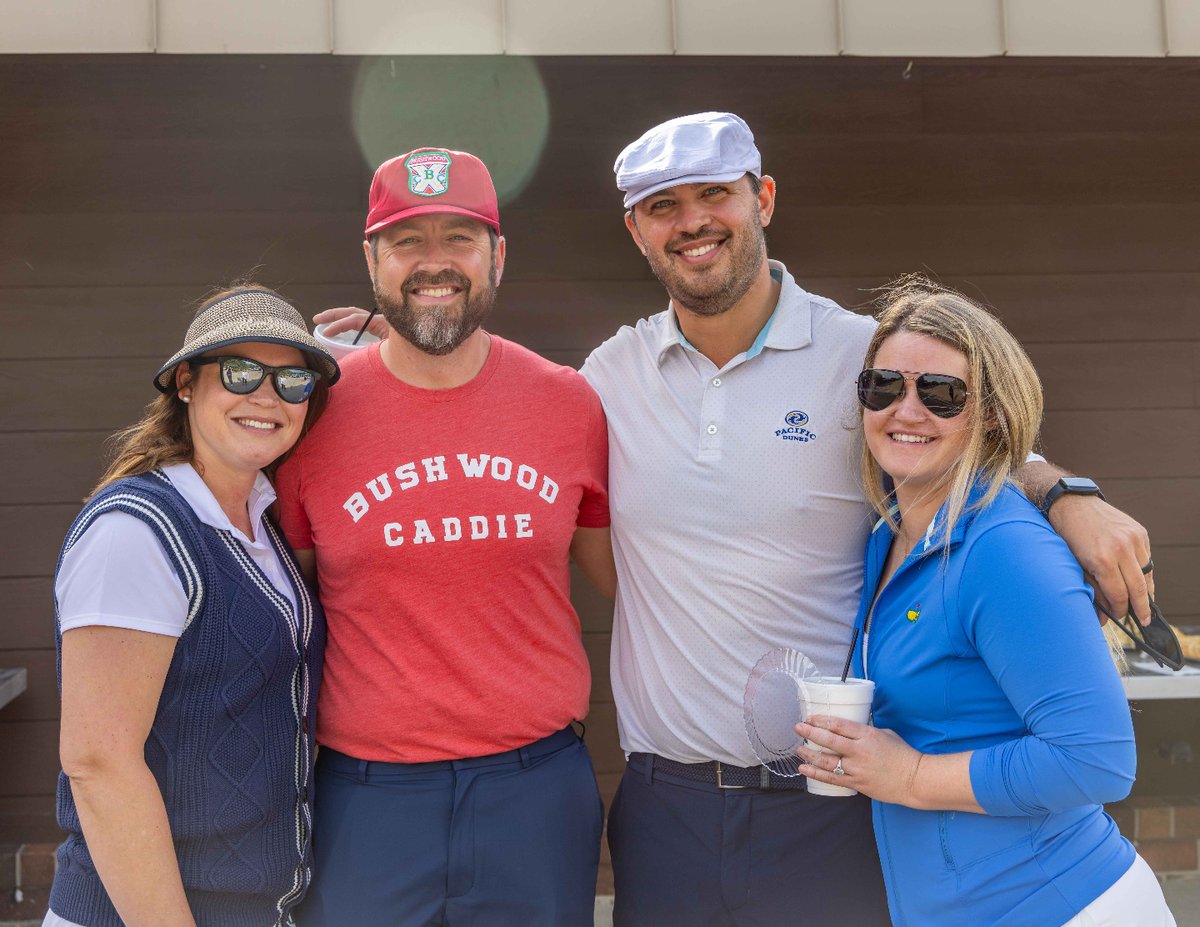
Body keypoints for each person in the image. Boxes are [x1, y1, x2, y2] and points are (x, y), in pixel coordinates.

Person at [577, 113, 1156, 927]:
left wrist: (1067, 494)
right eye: (663, 205)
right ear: (636, 229)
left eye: (716, 194)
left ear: (763, 199)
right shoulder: (606, 376)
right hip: (666, 805)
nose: (693, 221)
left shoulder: (865, 359)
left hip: (832, 802)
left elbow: (966, 436)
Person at [274, 148, 611, 927]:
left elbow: (627, 575)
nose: (434, 262)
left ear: (498, 254)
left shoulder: (570, 403)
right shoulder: (311, 416)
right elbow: (283, 586)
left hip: (535, 786)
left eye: (459, 237)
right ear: (372, 260)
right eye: (406, 240)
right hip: (368, 796)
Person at [796, 277, 1175, 927]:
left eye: (940, 394)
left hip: (1062, 906)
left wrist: (911, 774)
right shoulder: (889, 534)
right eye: (883, 386)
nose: (906, 410)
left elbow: (1098, 758)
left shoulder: (1004, 547)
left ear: (991, 414)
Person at [46, 286, 337, 927]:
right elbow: (99, 764)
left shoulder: (261, 523)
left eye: (293, 380)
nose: (267, 396)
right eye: (240, 373)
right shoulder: (136, 530)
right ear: (186, 382)